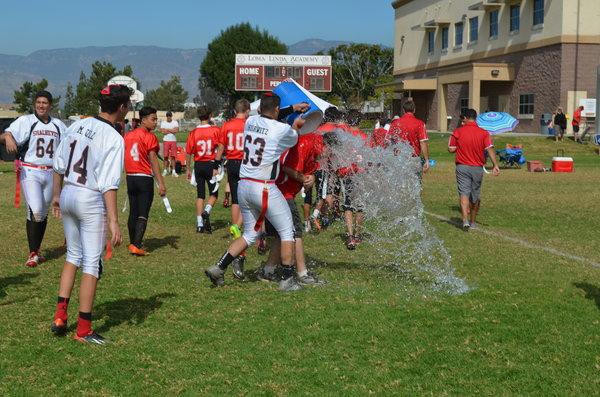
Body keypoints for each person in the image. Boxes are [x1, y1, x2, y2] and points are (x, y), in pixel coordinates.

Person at [50, 84, 130, 344]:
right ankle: (83, 329)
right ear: (120, 107)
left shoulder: (76, 125)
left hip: (69, 192)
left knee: (73, 255)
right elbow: (108, 184)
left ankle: (60, 316)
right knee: (92, 264)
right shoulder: (113, 137)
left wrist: (56, 196)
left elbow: (58, 164)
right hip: (89, 197)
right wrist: (114, 221)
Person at [204, 92, 304, 292]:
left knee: (250, 234)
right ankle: (287, 279)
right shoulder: (282, 129)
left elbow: (268, 115)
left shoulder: (250, 121)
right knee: (287, 231)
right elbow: (292, 135)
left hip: (244, 185)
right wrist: (296, 125)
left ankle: (219, 267)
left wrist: (290, 109)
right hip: (264, 186)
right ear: (276, 110)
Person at [0, 90, 66, 267]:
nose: (41, 105)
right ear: (34, 104)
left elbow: (69, 145)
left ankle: (36, 251)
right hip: (31, 171)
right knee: (36, 210)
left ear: (50, 105)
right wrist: (7, 137)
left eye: (45, 102)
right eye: (38, 102)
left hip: (52, 172)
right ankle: (32, 253)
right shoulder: (26, 121)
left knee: (42, 214)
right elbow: (5, 135)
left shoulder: (59, 125)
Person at [257, 132, 325, 285]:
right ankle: (302, 273)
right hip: (282, 193)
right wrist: (303, 179)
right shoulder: (306, 142)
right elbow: (287, 167)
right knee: (296, 233)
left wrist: (311, 176)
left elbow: (308, 168)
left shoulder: (311, 142)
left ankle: (267, 271)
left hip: (273, 191)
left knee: (280, 235)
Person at [124, 106, 167, 256]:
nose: (155, 122)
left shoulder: (128, 135)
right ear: (143, 120)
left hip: (130, 177)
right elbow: (153, 160)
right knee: (143, 213)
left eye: (156, 119)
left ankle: (133, 243)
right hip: (144, 178)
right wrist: (161, 182)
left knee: (133, 211)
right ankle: (136, 245)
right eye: (153, 119)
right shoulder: (149, 137)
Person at [447, 108, 500, 231]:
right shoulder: (483, 133)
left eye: (462, 118)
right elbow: (490, 148)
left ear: (465, 118)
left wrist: (458, 146)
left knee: (464, 193)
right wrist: (495, 165)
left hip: (462, 167)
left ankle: (464, 220)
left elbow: (451, 149)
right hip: (477, 168)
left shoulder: (458, 132)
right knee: (475, 196)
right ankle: (472, 222)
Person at [186, 106, 224, 234]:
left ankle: (199, 225)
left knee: (200, 195)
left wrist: (187, 169)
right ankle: (206, 211)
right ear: (210, 115)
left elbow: (188, 152)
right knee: (214, 193)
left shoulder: (193, 132)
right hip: (210, 164)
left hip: (198, 165)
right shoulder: (215, 130)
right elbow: (220, 147)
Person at [219, 99, 250, 238]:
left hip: (231, 162)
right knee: (249, 198)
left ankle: (235, 228)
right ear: (247, 110)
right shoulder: (249, 124)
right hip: (245, 162)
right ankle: (239, 225)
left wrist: (216, 163)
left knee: (235, 198)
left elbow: (221, 146)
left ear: (235, 111)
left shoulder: (226, 125)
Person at [387, 100, 430, 174]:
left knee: (398, 183)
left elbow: (388, 141)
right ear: (414, 110)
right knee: (415, 183)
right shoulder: (420, 124)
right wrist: (426, 160)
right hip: (413, 159)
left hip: (398, 159)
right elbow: (423, 142)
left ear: (403, 110)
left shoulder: (395, 123)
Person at [160, 111, 179, 177]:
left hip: (173, 141)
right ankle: (165, 170)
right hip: (166, 141)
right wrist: (172, 130)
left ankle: (173, 171)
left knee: (173, 156)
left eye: (170, 116)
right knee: (165, 156)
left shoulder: (175, 122)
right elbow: (162, 131)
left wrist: (167, 129)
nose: (169, 117)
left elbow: (176, 130)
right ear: (166, 116)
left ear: (171, 116)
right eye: (168, 116)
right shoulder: (163, 122)